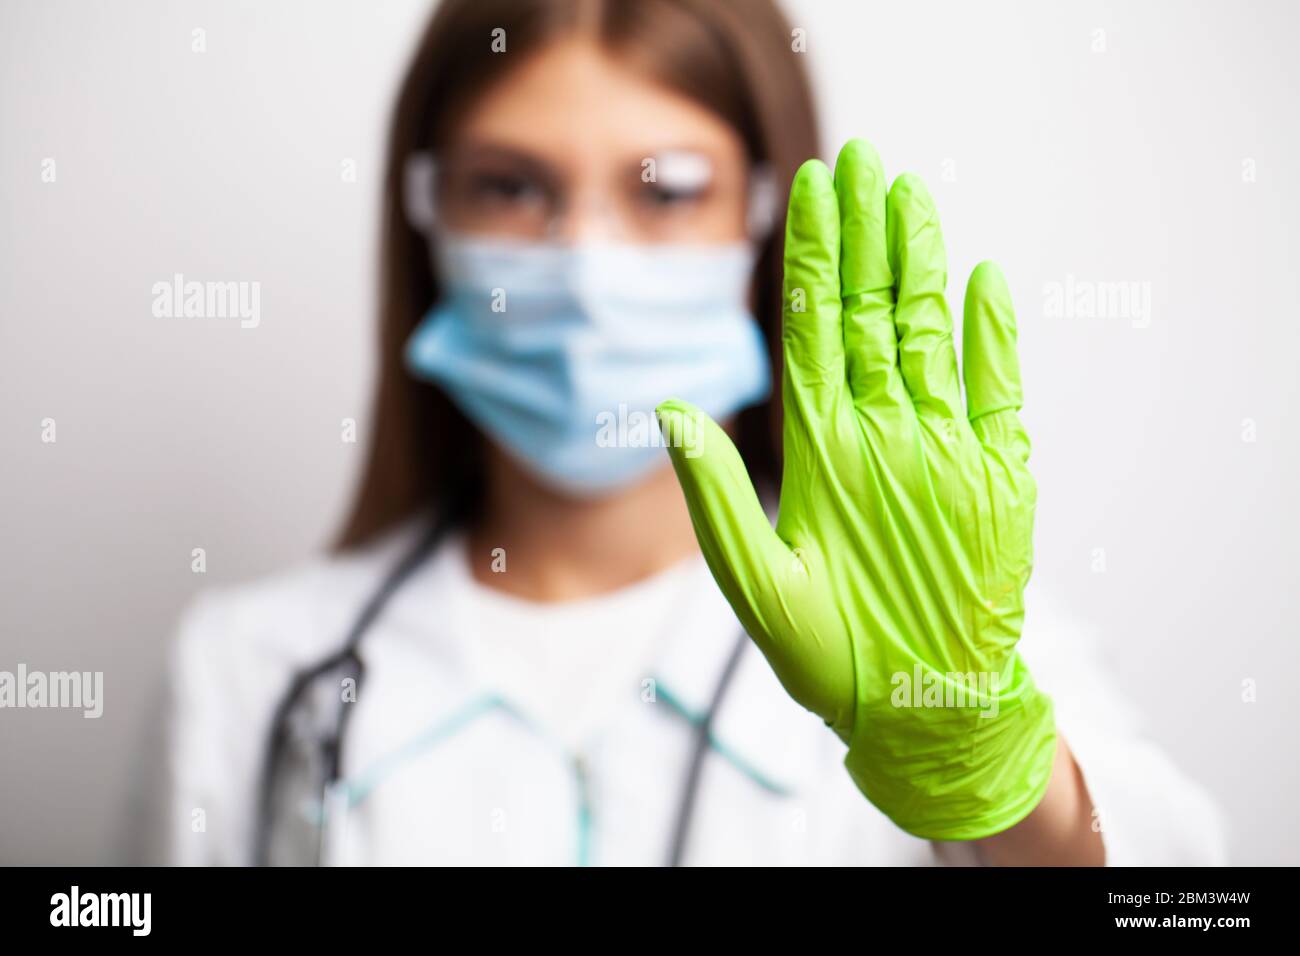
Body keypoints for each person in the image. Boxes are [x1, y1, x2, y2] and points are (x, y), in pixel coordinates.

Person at [156, 0, 1225, 865]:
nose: (585, 259)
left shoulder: (953, 623)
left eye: (666, 189)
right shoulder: (251, 669)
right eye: (511, 186)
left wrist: (983, 761)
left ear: (761, 220)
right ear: (426, 213)